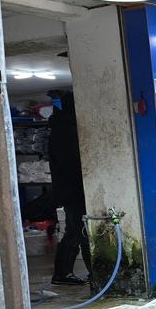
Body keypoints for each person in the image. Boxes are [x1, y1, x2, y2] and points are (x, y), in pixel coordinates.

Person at [48, 91, 91, 286]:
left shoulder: (61, 127)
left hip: (69, 190)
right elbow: (73, 163)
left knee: (75, 231)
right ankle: (95, 275)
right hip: (75, 190)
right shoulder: (67, 130)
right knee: (82, 232)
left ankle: (63, 273)